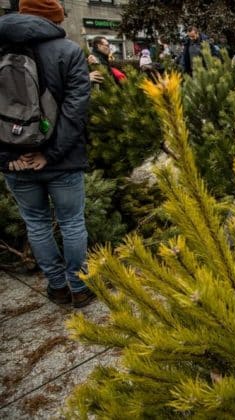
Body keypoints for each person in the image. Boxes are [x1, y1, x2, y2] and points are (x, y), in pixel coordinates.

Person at [0, 0, 95, 308]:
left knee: (36, 223)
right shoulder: (68, 51)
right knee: (72, 222)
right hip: (62, 160)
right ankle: (79, 287)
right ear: (54, 19)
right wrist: (51, 154)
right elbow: (75, 111)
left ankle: (57, 287)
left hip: (16, 160)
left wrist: (6, 157)